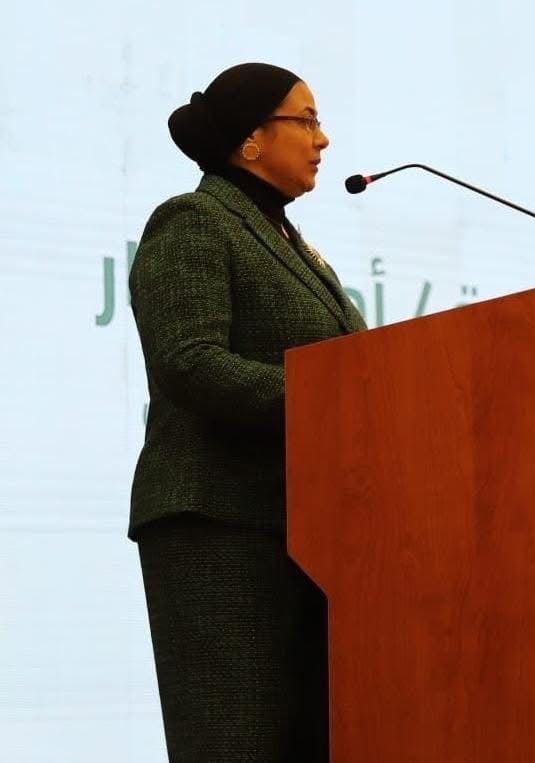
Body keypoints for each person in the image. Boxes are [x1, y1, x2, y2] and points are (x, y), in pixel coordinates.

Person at [128, 63, 366, 760]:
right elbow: (189, 361)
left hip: (308, 530)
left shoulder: (296, 245)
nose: (323, 138)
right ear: (251, 139)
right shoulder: (194, 220)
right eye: (306, 119)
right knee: (236, 741)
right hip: (221, 526)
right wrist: (335, 404)